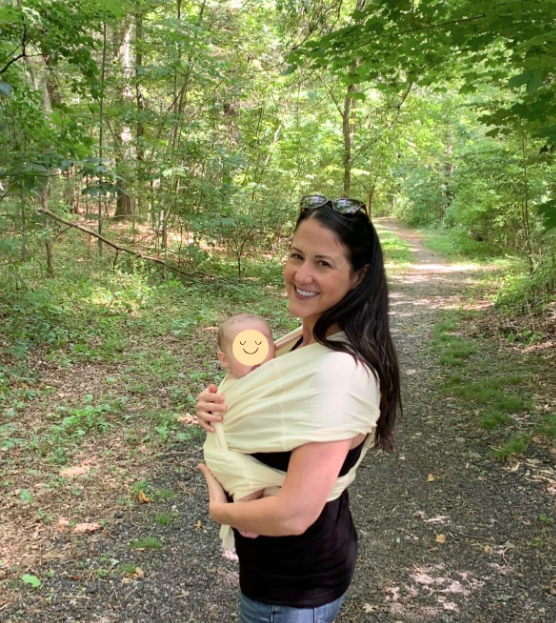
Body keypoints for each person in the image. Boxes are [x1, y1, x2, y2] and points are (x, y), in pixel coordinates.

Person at [196, 194, 401, 623]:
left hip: (291, 588)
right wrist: (219, 407)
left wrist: (219, 510)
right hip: (281, 571)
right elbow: (260, 403)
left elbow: (293, 514)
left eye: (323, 263)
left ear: (359, 276)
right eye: (296, 255)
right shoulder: (298, 343)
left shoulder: (338, 373)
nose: (301, 274)